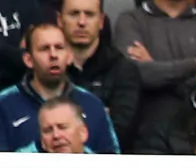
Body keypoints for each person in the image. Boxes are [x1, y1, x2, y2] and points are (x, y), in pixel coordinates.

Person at [0, 22, 118, 154]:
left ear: (69, 56)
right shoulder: (4, 104)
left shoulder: (92, 104)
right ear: (28, 60)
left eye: (59, 47)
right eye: (44, 49)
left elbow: (112, 162)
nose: (53, 55)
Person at [62, 0, 141, 148]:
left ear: (101, 21)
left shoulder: (123, 70)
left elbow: (120, 134)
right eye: (74, 14)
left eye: (89, 14)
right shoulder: (49, 68)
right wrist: (99, 117)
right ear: (60, 20)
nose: (81, 22)